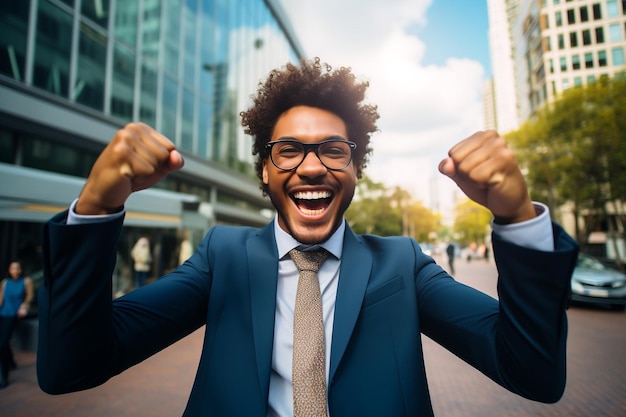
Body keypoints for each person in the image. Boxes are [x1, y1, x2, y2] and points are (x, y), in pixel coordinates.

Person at [36, 58, 578, 416]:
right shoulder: (221, 257)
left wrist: (517, 219)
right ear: (265, 172)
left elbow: (531, 373)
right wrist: (96, 208)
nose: (312, 167)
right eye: (289, 150)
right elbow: (72, 367)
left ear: (355, 170)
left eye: (333, 150)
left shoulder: (402, 264)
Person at [0, 260, 33, 388]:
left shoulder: (26, 281)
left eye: (17, 268)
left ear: (21, 269)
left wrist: (24, 307)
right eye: (13, 269)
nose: (15, 271)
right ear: (9, 270)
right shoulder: (4, 282)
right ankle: (11, 362)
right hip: (2, 313)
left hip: (13, 315)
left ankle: (4, 377)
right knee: (4, 341)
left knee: (2, 344)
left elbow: (29, 297)